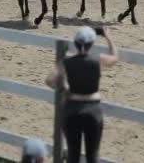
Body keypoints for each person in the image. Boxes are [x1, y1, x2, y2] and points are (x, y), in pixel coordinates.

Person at [45, 26, 119, 163]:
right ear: (92, 43)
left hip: (72, 108)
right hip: (93, 109)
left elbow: (49, 80)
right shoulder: (98, 60)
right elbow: (114, 58)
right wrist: (108, 37)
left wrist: (64, 90)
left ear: (76, 43)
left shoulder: (66, 62)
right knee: (93, 154)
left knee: (73, 154)